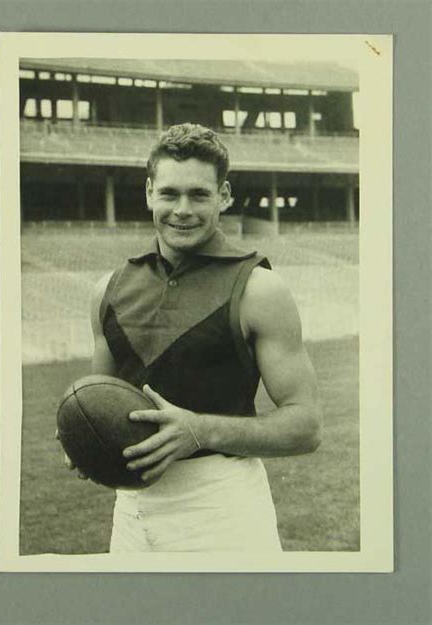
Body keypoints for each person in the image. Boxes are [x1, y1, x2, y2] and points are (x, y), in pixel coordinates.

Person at [69, 123, 321, 553]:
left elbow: (306, 426)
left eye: (199, 195)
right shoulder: (106, 290)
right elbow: (104, 401)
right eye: (169, 193)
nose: (182, 209)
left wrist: (199, 431)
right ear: (149, 192)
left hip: (223, 509)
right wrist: (84, 435)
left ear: (223, 196)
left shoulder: (261, 289)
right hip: (130, 513)